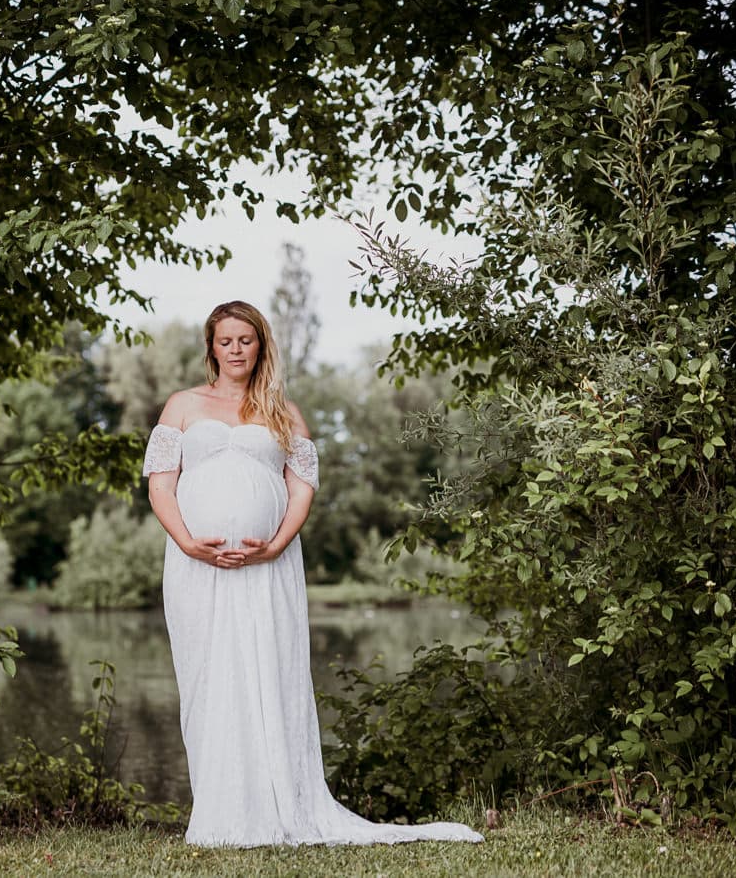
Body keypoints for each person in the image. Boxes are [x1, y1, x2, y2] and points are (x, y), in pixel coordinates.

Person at [141, 300, 483, 848]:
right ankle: (221, 812)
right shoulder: (182, 405)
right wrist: (187, 542)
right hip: (195, 568)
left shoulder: (283, 411)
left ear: (260, 345)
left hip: (268, 568)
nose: (236, 350)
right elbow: (160, 483)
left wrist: (275, 544)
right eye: (225, 341)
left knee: (269, 675)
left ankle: (279, 805)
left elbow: (302, 489)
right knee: (209, 678)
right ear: (211, 347)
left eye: (246, 340)